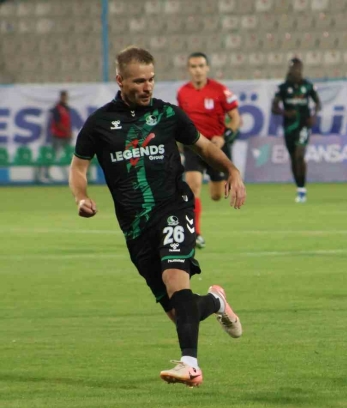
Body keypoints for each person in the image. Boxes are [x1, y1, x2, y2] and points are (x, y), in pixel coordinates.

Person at [69, 47, 247, 387]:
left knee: (175, 278)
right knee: (180, 312)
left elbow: (203, 146)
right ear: (120, 80)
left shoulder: (167, 114)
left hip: (174, 208)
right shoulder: (99, 124)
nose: (147, 86)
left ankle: (190, 365)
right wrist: (81, 197)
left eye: (151, 79)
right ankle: (216, 301)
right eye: (139, 81)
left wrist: (232, 170)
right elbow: (78, 168)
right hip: (136, 226)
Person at [177, 52, 241, 249]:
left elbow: (236, 119)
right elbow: (181, 121)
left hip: (216, 148)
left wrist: (224, 137)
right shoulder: (183, 93)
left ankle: (211, 184)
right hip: (194, 146)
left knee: (216, 195)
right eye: (193, 67)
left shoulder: (220, 90)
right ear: (189, 69)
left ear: (207, 68)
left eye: (201, 66)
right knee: (193, 187)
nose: (197, 70)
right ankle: (195, 234)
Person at [271, 58, 321, 203]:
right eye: (294, 69)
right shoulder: (283, 88)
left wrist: (314, 115)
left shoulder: (308, 86)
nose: (296, 71)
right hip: (289, 127)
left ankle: (302, 189)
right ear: (290, 70)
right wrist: (285, 113)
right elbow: (274, 107)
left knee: (300, 154)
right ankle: (299, 187)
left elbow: (318, 103)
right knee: (293, 157)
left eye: (299, 69)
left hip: (304, 125)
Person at [42, 90, 72, 183]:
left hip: (65, 137)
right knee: (54, 155)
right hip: (57, 136)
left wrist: (69, 132)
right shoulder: (57, 108)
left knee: (67, 156)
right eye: (63, 97)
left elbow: (67, 122)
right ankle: (46, 174)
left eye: (66, 97)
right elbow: (57, 123)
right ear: (61, 97)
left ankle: (68, 175)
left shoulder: (66, 108)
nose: (65, 98)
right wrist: (67, 131)